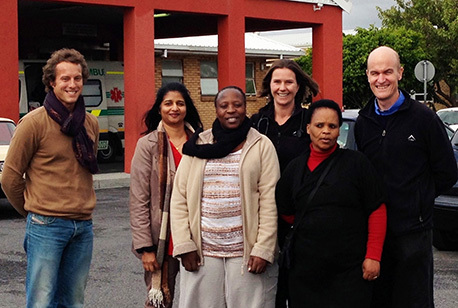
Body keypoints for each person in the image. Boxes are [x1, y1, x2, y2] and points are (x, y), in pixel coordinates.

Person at [355, 46, 458, 308]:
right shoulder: (363, 122)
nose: (381, 79)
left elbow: (447, 171)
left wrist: (418, 200)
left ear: (400, 73)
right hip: (374, 234)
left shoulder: (424, 119)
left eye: (388, 71)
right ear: (367, 76)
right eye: (375, 73)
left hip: (413, 233)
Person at [1, 48, 99, 308]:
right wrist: (35, 211)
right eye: (65, 78)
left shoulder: (90, 124)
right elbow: (9, 177)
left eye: (77, 78)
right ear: (52, 82)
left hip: (83, 227)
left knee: (74, 301)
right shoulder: (33, 123)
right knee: (42, 301)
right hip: (46, 226)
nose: (72, 84)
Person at [170, 86, 280, 308]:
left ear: (245, 107)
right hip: (202, 253)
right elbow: (179, 198)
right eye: (224, 105)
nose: (231, 110)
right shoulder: (199, 144)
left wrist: (263, 249)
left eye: (237, 105)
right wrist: (184, 244)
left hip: (245, 253)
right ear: (216, 109)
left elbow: (269, 201)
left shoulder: (261, 145)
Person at [276, 99, 387, 308]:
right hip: (305, 271)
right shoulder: (295, 168)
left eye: (332, 126)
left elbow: (377, 209)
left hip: (350, 271)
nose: (325, 131)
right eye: (319, 125)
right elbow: (285, 210)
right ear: (308, 128)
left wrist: (373, 255)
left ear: (339, 130)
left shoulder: (357, 164)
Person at [251, 58, 319, 308]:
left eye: (289, 82)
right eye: (277, 81)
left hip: (300, 217)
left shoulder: (310, 122)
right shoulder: (257, 123)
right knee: (269, 292)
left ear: (298, 85)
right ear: (269, 85)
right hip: (263, 218)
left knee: (301, 289)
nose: (283, 87)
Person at [129, 82, 202, 308]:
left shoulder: (202, 142)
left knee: (200, 295)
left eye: (180, 103)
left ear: (187, 108)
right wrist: (146, 248)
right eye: (168, 103)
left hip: (197, 233)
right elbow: (139, 199)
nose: (174, 108)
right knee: (161, 299)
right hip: (162, 236)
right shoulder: (147, 145)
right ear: (159, 108)